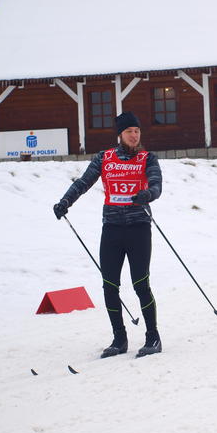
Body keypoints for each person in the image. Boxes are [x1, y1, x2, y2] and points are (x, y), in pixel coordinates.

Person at [53, 111, 163, 358]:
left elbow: (156, 184)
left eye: (137, 131)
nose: (134, 135)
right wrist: (65, 201)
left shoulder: (147, 158)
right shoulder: (104, 158)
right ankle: (119, 339)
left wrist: (148, 194)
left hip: (138, 228)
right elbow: (83, 183)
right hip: (112, 229)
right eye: (129, 131)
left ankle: (153, 337)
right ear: (120, 134)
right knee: (110, 286)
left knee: (140, 284)